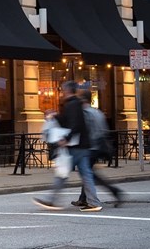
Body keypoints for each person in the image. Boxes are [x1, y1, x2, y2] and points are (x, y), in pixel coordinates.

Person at [33, 80, 102, 211]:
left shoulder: (72, 104)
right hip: (83, 145)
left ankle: (52, 200)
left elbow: (75, 124)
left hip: (75, 145)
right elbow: (70, 121)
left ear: (68, 91)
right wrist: (55, 116)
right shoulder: (75, 104)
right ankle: (94, 202)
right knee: (86, 174)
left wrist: (66, 139)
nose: (61, 93)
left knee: (62, 172)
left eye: (63, 90)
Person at [71, 89, 125, 209]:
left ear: (83, 99)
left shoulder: (86, 113)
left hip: (90, 148)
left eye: (79, 98)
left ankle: (115, 192)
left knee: (88, 174)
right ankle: (83, 198)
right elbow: (103, 129)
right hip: (97, 147)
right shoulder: (97, 112)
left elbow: (86, 132)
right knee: (87, 172)